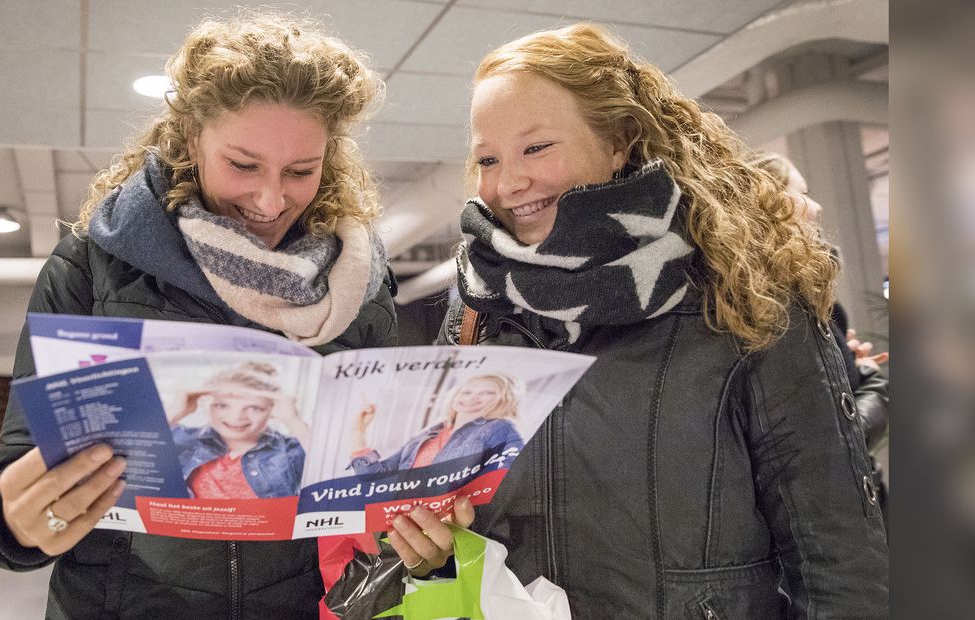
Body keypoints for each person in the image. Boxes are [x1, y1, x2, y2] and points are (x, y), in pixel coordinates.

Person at [376, 23, 888, 619]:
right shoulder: (479, 308)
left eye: (536, 147)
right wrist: (430, 547)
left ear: (619, 140)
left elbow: (839, 559)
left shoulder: (742, 295)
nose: (508, 182)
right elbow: (458, 508)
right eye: (487, 158)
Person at [0, 11, 395, 619]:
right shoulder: (94, 264)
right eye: (243, 165)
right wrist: (20, 523)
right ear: (191, 141)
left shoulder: (359, 284)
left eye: (301, 171)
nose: (272, 200)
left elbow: (365, 476)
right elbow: (15, 481)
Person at [749, 151, 891, 522]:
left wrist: (851, 367)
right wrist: (876, 387)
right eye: (802, 192)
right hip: (834, 515)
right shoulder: (777, 303)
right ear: (772, 201)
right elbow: (829, 442)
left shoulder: (798, 293)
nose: (815, 207)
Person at [167, 362, 309, 499]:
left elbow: (327, 474)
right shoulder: (180, 438)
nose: (237, 417)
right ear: (204, 403)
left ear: (272, 410)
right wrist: (173, 413)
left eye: (255, 408)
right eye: (222, 405)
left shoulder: (292, 451)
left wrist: (293, 421)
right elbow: (145, 462)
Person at [348, 373, 525, 474]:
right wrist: (358, 431)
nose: (472, 398)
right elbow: (377, 478)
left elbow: (506, 476)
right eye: (467, 392)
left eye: (487, 393)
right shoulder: (430, 433)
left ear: (503, 399)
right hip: (404, 518)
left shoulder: (501, 428)